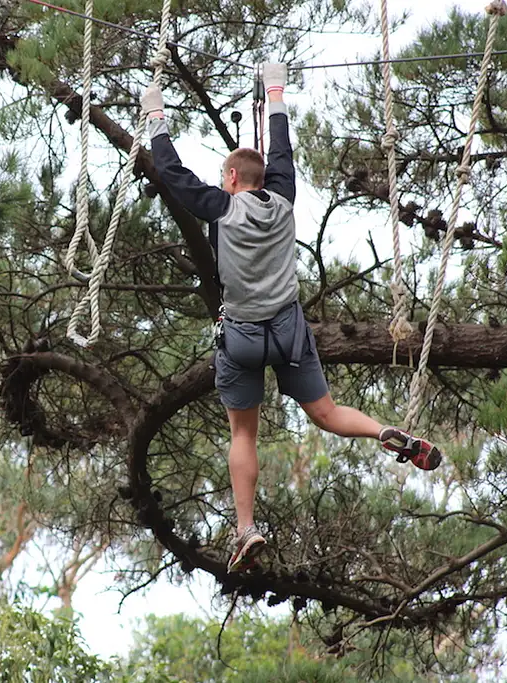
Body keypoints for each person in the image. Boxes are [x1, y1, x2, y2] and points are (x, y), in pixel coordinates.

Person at [140, 64, 442, 574]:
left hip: (240, 336)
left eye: (223, 176)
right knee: (325, 413)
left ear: (232, 178)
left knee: (244, 435)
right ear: (264, 179)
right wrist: (275, 93)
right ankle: (384, 431)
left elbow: (172, 174)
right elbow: (283, 152)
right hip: (287, 330)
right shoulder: (283, 201)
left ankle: (246, 527)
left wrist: (155, 117)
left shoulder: (219, 207)